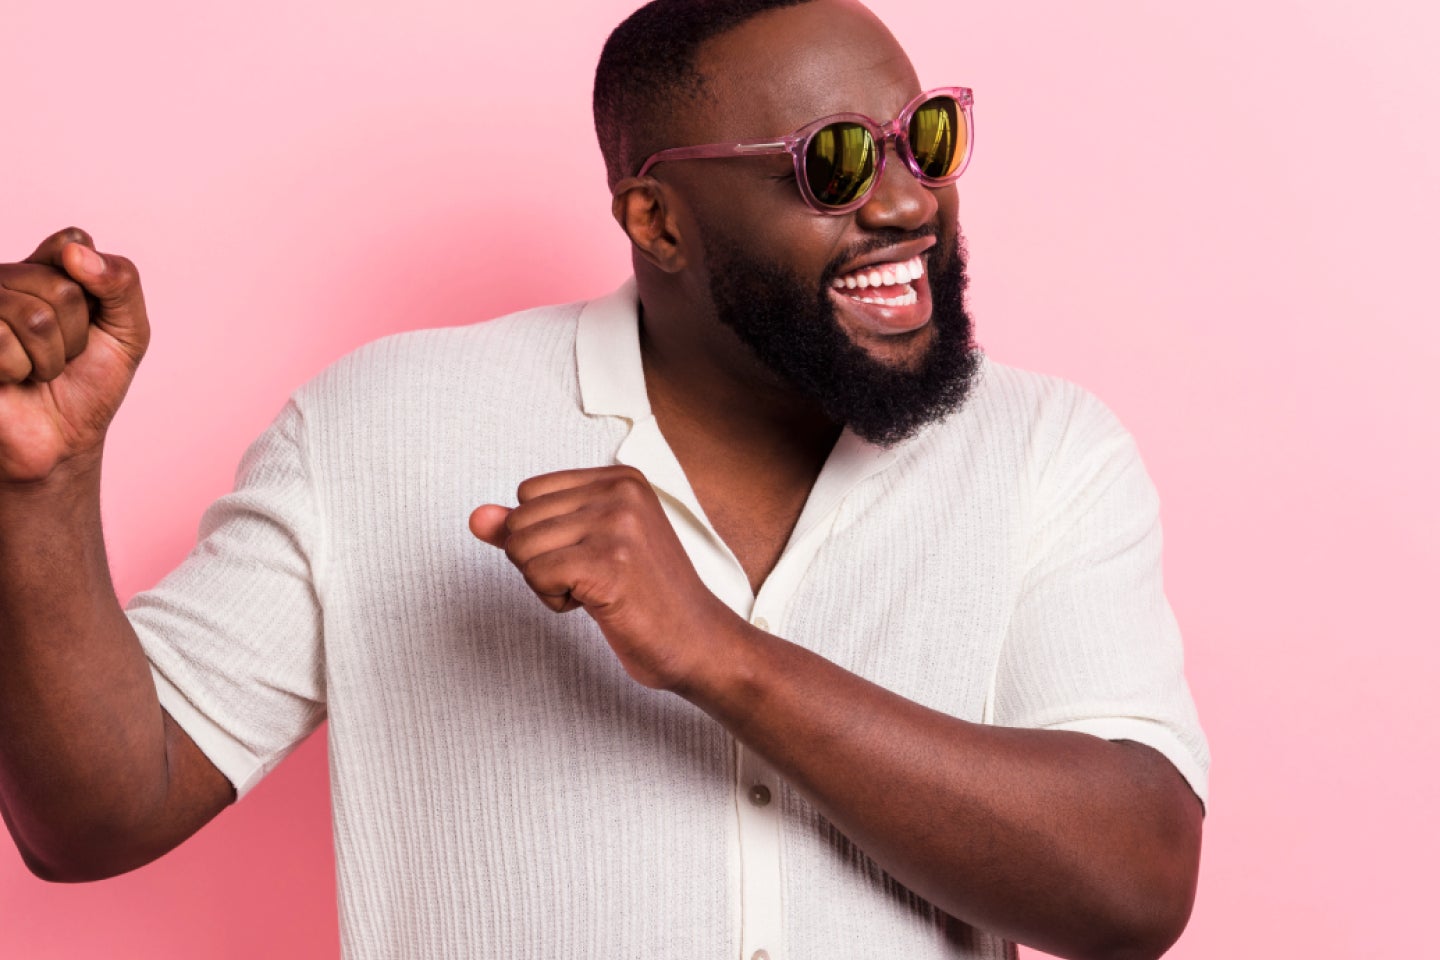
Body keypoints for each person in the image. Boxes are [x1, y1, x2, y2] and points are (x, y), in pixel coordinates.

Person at [0, 0, 1208, 957]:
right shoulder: (385, 424)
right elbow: (97, 817)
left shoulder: (1046, 449)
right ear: (660, 220)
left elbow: (1135, 887)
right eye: (831, 164)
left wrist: (721, 655)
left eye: (924, 136)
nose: (906, 200)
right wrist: (41, 486)